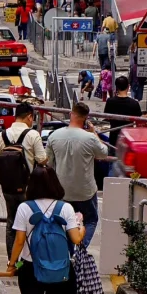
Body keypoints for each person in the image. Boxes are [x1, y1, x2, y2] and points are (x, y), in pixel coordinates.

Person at [5, 163, 84, 294]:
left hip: (30, 267)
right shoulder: (65, 208)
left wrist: (12, 265)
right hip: (62, 268)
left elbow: (19, 241)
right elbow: (76, 238)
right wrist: (81, 225)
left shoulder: (25, 207)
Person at [46, 102, 110, 249]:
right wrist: (94, 132)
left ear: (71, 114)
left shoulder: (54, 136)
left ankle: (70, 252)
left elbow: (48, 163)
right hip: (85, 191)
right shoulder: (90, 138)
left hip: (62, 191)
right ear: (86, 119)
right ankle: (81, 247)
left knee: (65, 222)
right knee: (91, 220)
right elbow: (104, 153)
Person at [0, 101, 47, 255]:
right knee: (30, 222)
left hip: (8, 187)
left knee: (12, 223)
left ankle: (12, 261)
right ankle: (27, 260)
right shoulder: (33, 134)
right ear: (29, 117)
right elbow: (42, 160)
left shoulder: (1, 135)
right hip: (28, 188)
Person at [102, 73, 143, 148]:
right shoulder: (134, 103)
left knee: (113, 157)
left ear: (116, 87)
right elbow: (139, 121)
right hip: (128, 137)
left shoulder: (110, 101)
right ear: (128, 87)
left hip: (114, 136)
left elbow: (107, 117)